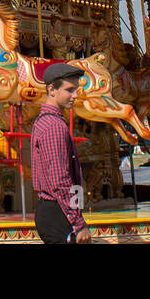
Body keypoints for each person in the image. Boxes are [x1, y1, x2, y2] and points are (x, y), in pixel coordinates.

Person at [32, 63, 90, 244]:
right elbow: (60, 180)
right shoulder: (54, 126)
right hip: (59, 212)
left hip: (53, 210)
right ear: (52, 90)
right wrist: (78, 223)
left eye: (76, 90)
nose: (75, 95)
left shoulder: (45, 121)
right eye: (70, 90)